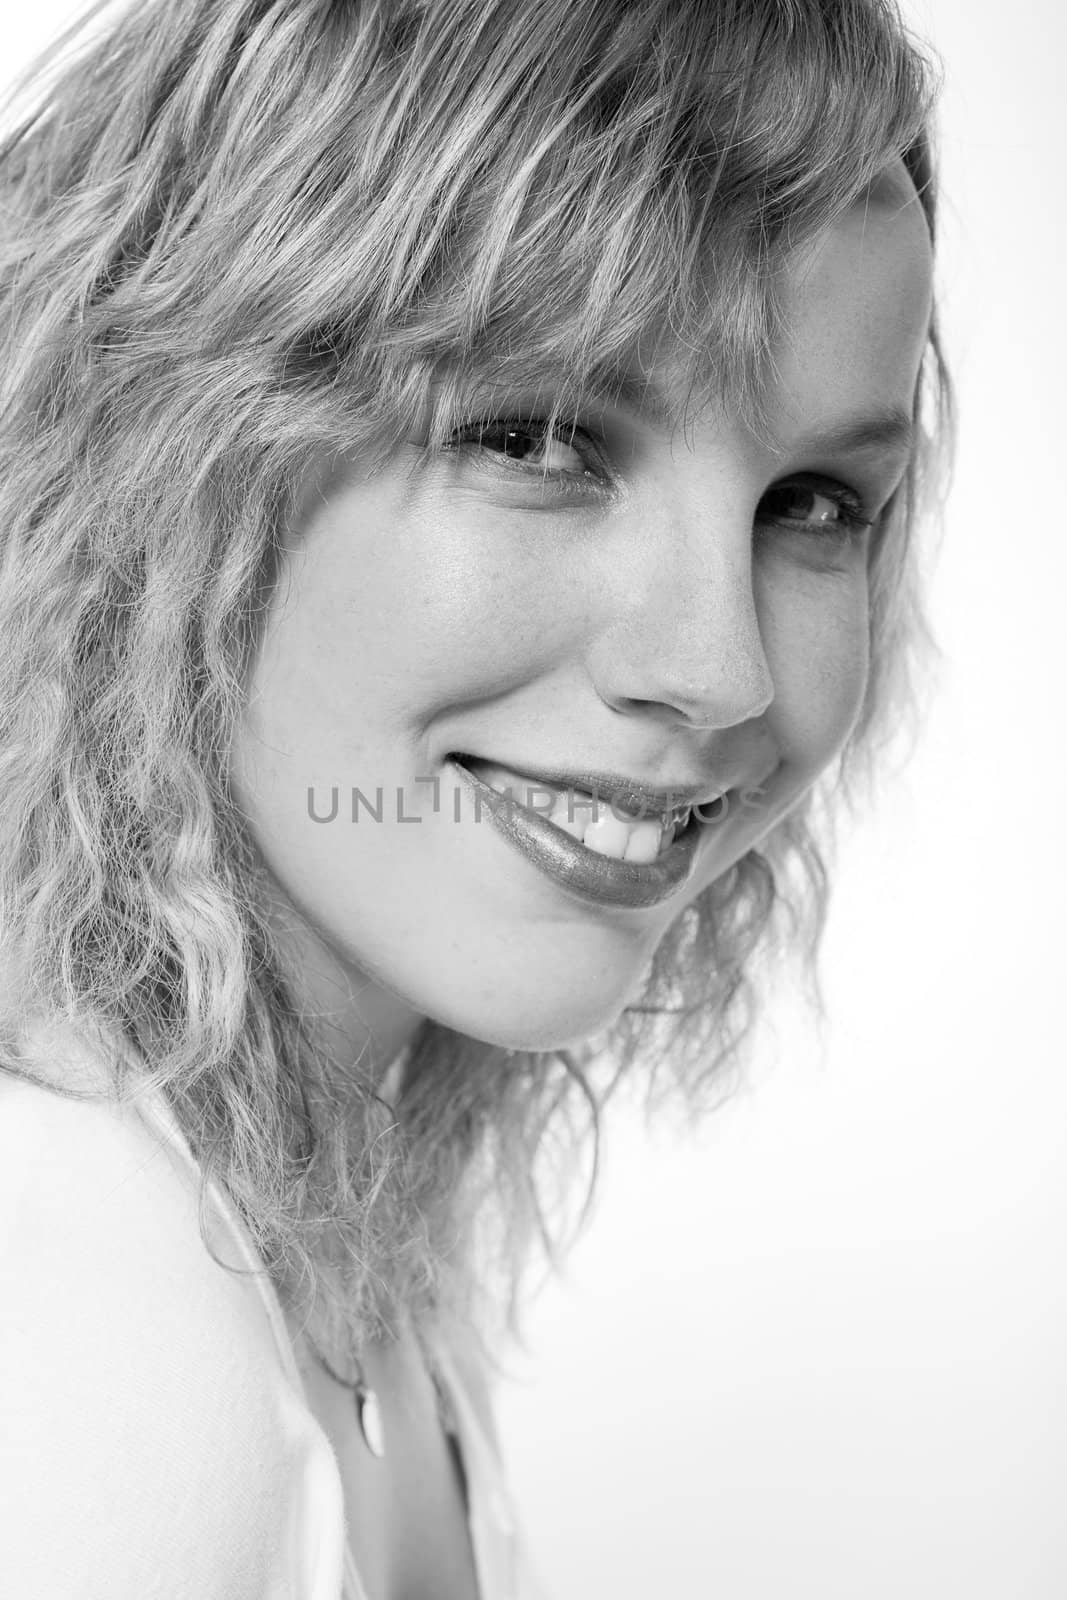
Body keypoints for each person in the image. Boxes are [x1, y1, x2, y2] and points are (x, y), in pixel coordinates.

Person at [0, 1, 950, 1596]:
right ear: (161, 443)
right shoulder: (72, 1311)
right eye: (539, 436)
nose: (720, 670)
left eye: (812, 504)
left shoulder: (314, 1235)